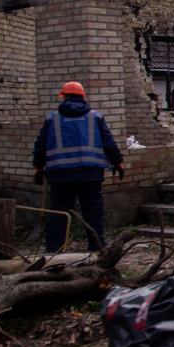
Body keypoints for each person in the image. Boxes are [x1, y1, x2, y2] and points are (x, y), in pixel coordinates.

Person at [33, 82, 125, 252]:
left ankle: (55, 250)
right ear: (83, 97)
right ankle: (96, 246)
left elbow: (40, 145)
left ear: (63, 96)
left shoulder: (52, 119)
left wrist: (38, 168)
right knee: (93, 212)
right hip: (90, 174)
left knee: (59, 213)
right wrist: (118, 163)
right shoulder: (95, 117)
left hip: (60, 175)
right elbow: (108, 143)